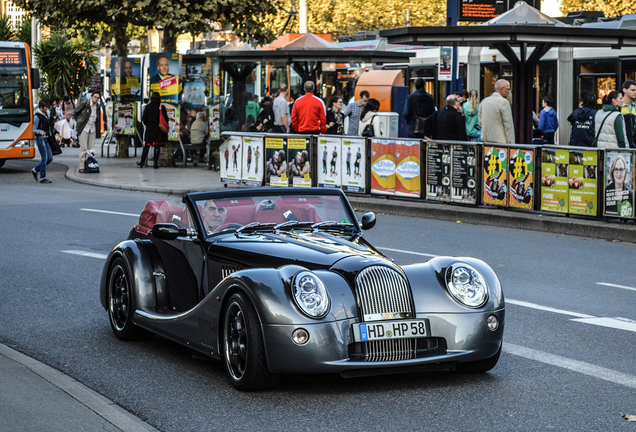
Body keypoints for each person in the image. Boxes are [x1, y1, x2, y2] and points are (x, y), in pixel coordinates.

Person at [479, 79, 515, 144]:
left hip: (486, 141)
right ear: (502, 89)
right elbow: (508, 125)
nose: (509, 91)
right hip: (500, 142)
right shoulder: (504, 102)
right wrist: (511, 143)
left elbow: (480, 122)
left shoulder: (484, 101)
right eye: (508, 89)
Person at [138, 92, 169, 168]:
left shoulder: (148, 107)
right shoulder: (162, 107)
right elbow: (166, 119)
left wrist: (148, 124)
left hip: (150, 129)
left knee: (147, 146)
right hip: (159, 129)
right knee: (157, 146)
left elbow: (144, 119)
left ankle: (142, 161)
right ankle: (155, 163)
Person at [73, 92, 101, 173]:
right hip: (84, 127)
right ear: (91, 97)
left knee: (91, 149)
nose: (96, 99)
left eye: (98, 97)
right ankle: (82, 167)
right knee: (83, 148)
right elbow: (75, 112)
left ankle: (90, 165)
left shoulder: (98, 106)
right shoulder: (85, 103)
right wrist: (79, 121)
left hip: (92, 128)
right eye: (95, 97)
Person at [31, 99, 53, 183]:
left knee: (50, 158)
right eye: (45, 107)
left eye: (47, 107)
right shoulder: (37, 116)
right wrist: (40, 132)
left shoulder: (46, 114)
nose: (47, 109)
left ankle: (35, 170)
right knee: (45, 158)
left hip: (46, 138)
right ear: (41, 107)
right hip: (40, 139)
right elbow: (34, 129)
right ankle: (42, 177)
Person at [621, 80, 636, 148]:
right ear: (625, 90)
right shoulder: (619, 107)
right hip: (623, 145)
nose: (635, 92)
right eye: (632, 90)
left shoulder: (634, 106)